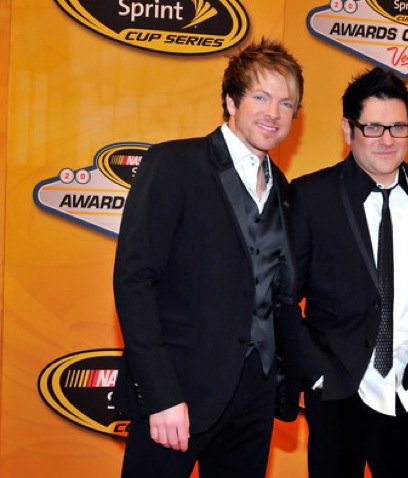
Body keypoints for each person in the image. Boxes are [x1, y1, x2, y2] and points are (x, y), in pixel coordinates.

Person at [112, 38, 304, 478]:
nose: (274, 113)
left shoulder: (284, 189)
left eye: (286, 103)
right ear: (231, 101)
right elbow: (134, 281)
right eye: (261, 97)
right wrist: (160, 394)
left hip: (255, 395)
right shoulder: (174, 164)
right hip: (177, 393)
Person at [290, 67, 408, 478]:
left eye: (398, 127)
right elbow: (283, 296)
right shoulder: (312, 195)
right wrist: (316, 373)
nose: (387, 139)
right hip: (338, 390)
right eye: (373, 127)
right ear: (348, 130)